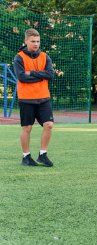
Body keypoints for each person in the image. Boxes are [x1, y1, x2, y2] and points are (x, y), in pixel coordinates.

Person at [14, 28, 55, 167]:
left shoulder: (45, 56)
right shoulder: (19, 57)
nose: (36, 44)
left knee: (49, 125)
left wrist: (31, 73)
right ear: (26, 41)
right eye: (33, 41)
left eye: (38, 41)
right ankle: (26, 157)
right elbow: (21, 77)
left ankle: (42, 155)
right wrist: (40, 75)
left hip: (44, 98)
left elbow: (50, 74)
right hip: (26, 99)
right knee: (27, 128)